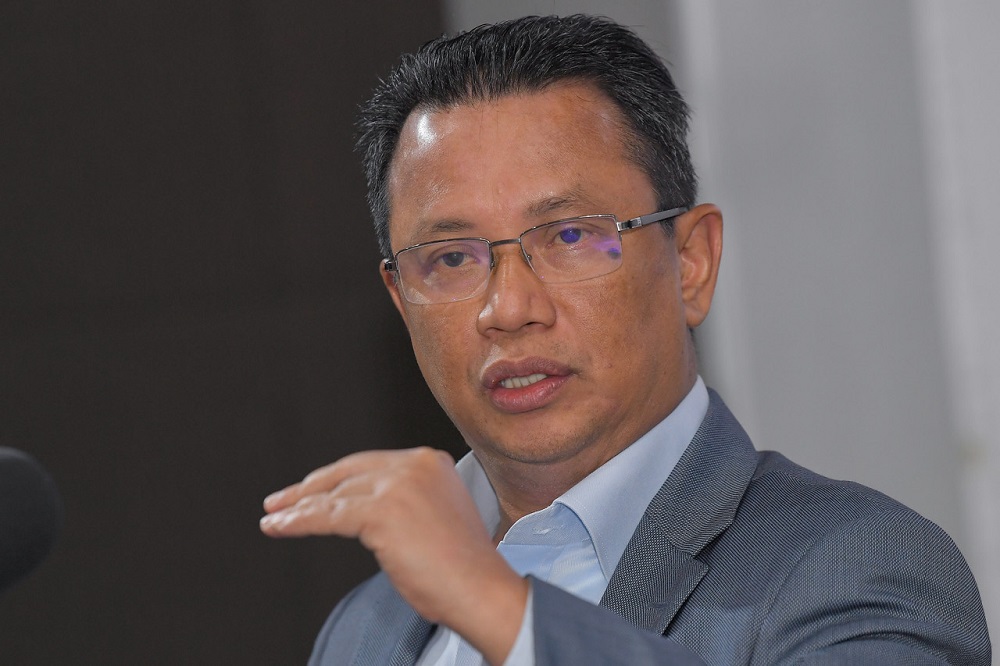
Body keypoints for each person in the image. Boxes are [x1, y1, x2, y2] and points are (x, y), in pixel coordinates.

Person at [259, 14, 991, 665]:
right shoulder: (367, 629)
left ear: (692, 263)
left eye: (571, 235)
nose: (508, 307)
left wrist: (498, 610)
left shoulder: (853, 566)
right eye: (451, 258)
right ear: (400, 297)